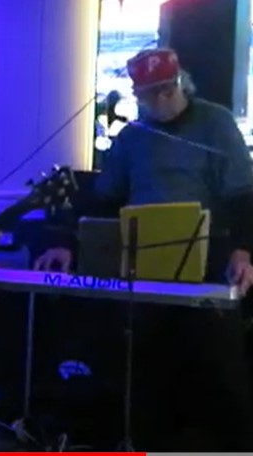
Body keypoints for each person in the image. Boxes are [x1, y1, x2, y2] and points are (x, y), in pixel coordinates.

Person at [34, 48, 253, 451]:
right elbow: (102, 201)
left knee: (219, 372)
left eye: (167, 89)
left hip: (208, 263)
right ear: (137, 96)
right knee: (145, 372)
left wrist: (243, 250)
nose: (161, 99)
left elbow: (242, 195)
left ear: (182, 83)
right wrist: (66, 242)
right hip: (144, 267)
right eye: (150, 93)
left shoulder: (215, 123)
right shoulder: (133, 138)